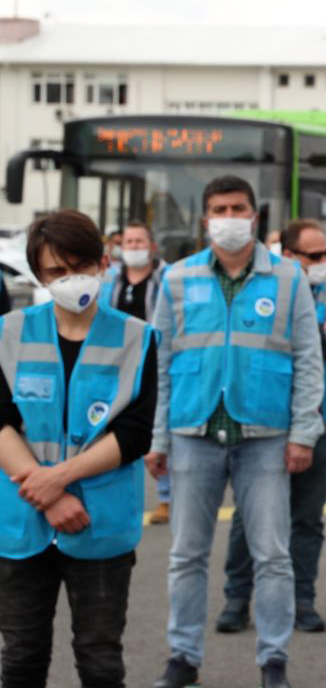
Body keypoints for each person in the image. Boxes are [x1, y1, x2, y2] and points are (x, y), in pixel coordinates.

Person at [146, 176, 324, 688]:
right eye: (220, 208)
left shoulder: (289, 278)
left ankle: (273, 661)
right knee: (185, 556)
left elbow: (309, 358)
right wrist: (158, 438)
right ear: (206, 220)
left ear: (254, 216)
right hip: (191, 431)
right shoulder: (177, 279)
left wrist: (303, 433)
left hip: (265, 435)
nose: (229, 216)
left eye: (238, 207)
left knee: (273, 555)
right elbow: (159, 363)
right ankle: (183, 657)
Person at [0, 210, 156, 687]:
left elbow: (134, 434)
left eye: (82, 266)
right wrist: (47, 493)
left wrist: (58, 479)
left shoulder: (138, 338)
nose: (72, 280)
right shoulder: (8, 333)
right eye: (57, 271)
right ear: (38, 274)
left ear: (103, 262)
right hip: (23, 524)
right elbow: (1, 421)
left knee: (99, 659)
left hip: (100, 523)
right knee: (22, 656)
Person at [217, 219, 326, 634]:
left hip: (318, 423)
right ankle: (237, 598)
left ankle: (301, 599)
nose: (324, 262)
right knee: (248, 516)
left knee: (307, 518)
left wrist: (297, 308)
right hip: (266, 425)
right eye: (315, 256)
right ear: (288, 256)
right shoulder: (263, 289)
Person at [101, 221, 172, 523]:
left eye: (139, 241)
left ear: (152, 246)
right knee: (112, 431)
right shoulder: (111, 280)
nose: (133, 247)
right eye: (128, 242)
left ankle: (167, 497)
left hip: (153, 363)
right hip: (117, 364)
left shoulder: (167, 278)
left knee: (156, 431)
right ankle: (108, 497)